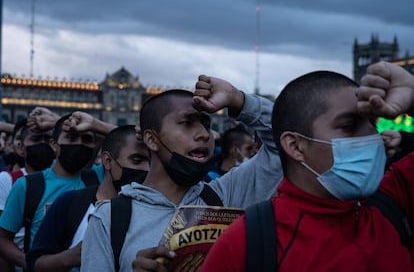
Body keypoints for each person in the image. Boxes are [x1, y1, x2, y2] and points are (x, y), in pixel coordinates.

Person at [200, 62, 414, 271]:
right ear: (295, 146)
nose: (371, 137)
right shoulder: (247, 242)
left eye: (373, 123)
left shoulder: (391, 201)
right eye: (348, 126)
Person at [81, 75, 283, 271]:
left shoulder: (225, 196)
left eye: (206, 124)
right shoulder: (110, 218)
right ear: (152, 140)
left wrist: (238, 99)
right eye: (187, 123)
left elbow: (283, 145)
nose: (204, 134)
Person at [26, 125, 149, 272]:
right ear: (108, 160)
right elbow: (35, 263)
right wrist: (70, 258)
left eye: (152, 162)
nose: (147, 169)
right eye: (137, 160)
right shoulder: (70, 203)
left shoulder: (154, 210)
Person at [0, 112, 111, 270]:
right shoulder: (29, 185)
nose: (79, 144)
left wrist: (94, 123)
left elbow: (133, 139)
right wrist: (33, 262)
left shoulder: (100, 178)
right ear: (54, 144)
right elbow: (3, 238)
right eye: (71, 138)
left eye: (87, 139)